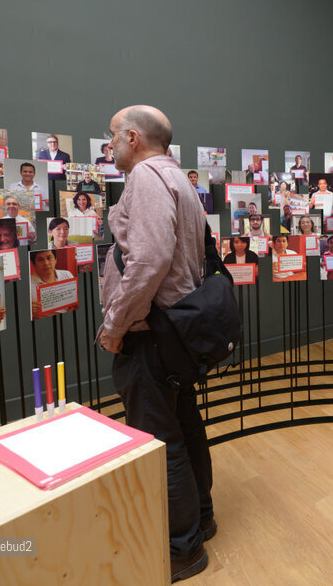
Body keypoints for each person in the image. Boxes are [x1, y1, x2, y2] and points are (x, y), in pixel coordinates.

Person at [97, 104, 214, 581]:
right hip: (175, 333)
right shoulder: (178, 177)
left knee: (161, 441)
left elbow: (148, 261)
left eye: (112, 136)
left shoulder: (145, 177)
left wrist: (114, 326)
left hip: (149, 334)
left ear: (132, 138)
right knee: (184, 424)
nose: (108, 145)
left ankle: (183, 548)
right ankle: (201, 520)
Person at [29, 249, 76, 319]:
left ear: (55, 260)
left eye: (49, 258)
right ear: (34, 263)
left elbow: (75, 303)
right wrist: (29, 312)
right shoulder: (28, 283)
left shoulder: (67, 275)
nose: (46, 263)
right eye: (41, 260)